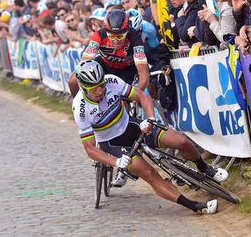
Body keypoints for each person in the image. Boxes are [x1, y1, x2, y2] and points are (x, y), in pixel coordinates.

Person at [72, 59, 229, 214]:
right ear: (84, 88)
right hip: (113, 143)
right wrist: (116, 162)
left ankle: (204, 168)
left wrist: (150, 119)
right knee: (148, 173)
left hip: (132, 126)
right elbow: (90, 149)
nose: (100, 90)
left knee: (181, 141)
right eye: (94, 89)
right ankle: (193, 205)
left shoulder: (111, 81)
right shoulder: (81, 108)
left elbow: (142, 96)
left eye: (101, 85)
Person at [68, 9, 149, 97]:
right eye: (111, 36)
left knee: (122, 100)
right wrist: (83, 93)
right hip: (105, 64)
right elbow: (84, 64)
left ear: (127, 31)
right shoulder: (100, 34)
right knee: (72, 81)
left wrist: (138, 94)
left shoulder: (135, 37)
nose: (116, 40)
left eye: (120, 36)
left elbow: (143, 73)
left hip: (126, 69)